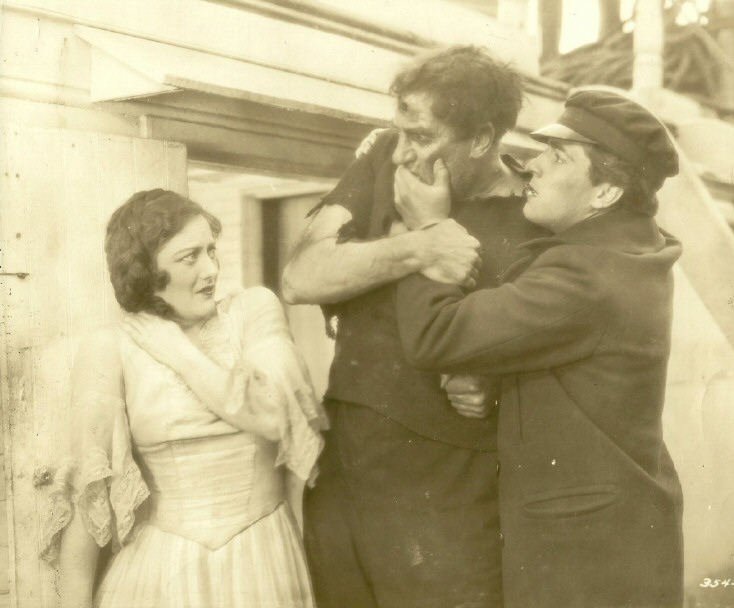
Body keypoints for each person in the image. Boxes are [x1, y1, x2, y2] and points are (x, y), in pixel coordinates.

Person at [393, 90, 684, 608]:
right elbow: (578, 374)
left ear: (604, 195)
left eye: (558, 157)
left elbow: (437, 334)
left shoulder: (585, 273)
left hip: (584, 559)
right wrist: (496, 381)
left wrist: (428, 231)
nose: (533, 166)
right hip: (616, 537)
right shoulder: (630, 251)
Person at [282, 45, 549, 608]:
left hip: (452, 491)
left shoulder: (535, 214)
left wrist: (496, 383)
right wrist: (420, 245)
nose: (403, 152)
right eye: (398, 130)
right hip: (348, 472)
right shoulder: (385, 154)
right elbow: (301, 277)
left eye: (422, 137)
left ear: (481, 138)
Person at [39, 189, 326, 608]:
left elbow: (273, 415)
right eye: (190, 257)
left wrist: (178, 351)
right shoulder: (110, 348)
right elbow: (88, 505)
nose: (210, 269)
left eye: (212, 250)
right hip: (161, 574)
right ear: (146, 271)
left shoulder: (252, 311)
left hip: (263, 563)